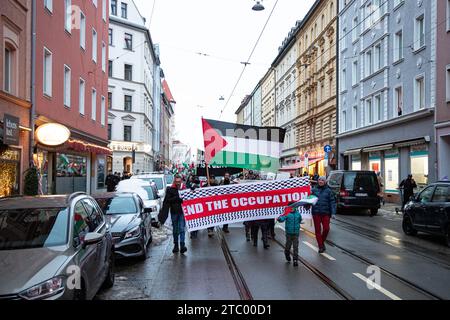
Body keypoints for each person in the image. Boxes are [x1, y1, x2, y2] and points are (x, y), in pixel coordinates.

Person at [310, 176, 336, 253]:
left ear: (325, 182)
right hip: (316, 213)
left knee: (326, 229)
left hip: (326, 213)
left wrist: (333, 212)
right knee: (317, 231)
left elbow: (332, 202)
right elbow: (309, 199)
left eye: (322, 180)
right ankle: (321, 246)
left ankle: (321, 241)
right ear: (318, 181)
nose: (320, 181)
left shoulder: (328, 191)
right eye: (319, 180)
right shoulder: (314, 190)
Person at [163, 175, 188, 254]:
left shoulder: (184, 189)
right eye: (176, 182)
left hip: (182, 212)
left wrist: (192, 189)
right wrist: (176, 198)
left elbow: (189, 197)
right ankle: (176, 245)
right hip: (174, 212)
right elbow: (167, 200)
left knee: (181, 229)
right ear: (174, 181)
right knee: (175, 230)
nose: (177, 183)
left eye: (179, 181)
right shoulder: (170, 189)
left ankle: (182, 245)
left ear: (181, 181)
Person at [277, 202, 303, 267]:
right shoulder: (287, 214)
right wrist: (280, 218)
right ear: (288, 208)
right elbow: (282, 219)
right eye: (291, 207)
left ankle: (295, 260)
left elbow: (300, 220)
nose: (292, 208)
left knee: (295, 246)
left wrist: (300, 222)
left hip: (296, 233)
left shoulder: (298, 214)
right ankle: (287, 254)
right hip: (289, 233)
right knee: (288, 246)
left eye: (293, 207)